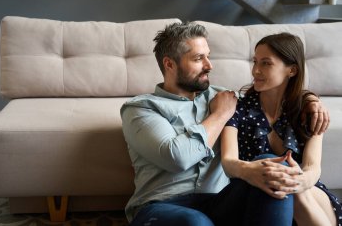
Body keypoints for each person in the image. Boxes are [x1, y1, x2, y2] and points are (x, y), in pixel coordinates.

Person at [120, 22, 329, 226]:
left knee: (270, 167)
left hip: (219, 202)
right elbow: (177, 158)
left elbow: (273, 93)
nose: (209, 65)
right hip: (161, 205)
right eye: (198, 58)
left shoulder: (226, 97)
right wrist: (220, 114)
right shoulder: (142, 109)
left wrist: (310, 100)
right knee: (196, 221)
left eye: (208, 56)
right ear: (169, 64)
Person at [221, 32, 341, 226]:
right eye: (255, 62)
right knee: (284, 182)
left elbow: (312, 167)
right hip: (262, 196)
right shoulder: (239, 108)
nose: (255, 71)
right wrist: (250, 170)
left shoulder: (308, 110)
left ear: (291, 70)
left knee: (294, 188)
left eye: (266, 63)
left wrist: (299, 182)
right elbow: (228, 161)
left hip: (311, 193)